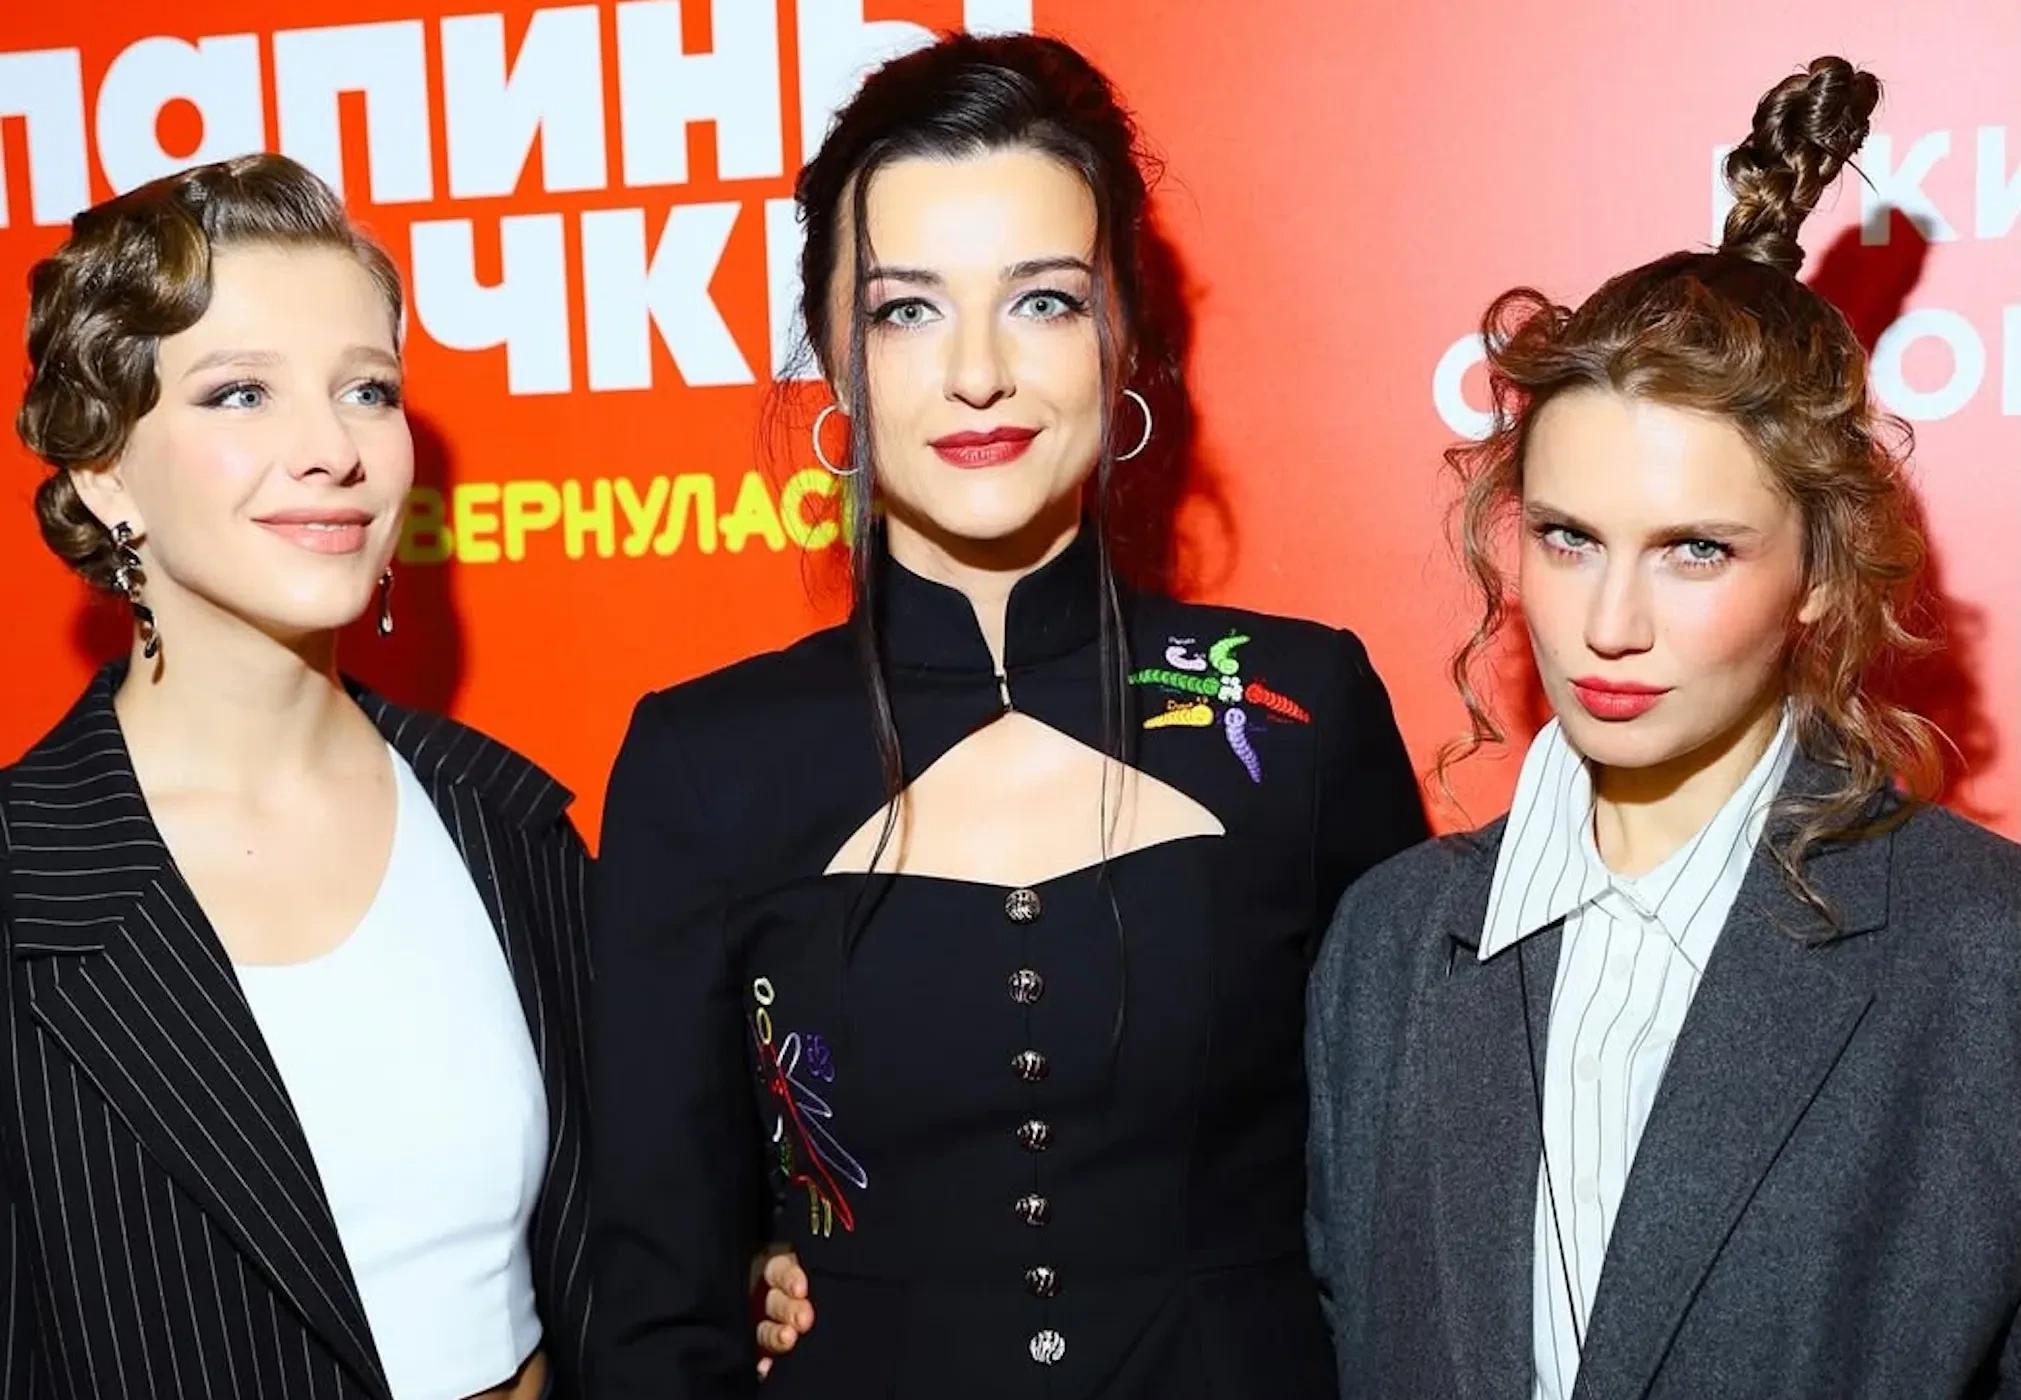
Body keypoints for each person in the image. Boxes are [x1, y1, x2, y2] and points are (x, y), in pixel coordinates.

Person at [588, 31, 1428, 1400]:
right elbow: (656, 1313)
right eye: (905, 311)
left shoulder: (1298, 713)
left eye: (1040, 300)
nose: (976, 373)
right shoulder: (705, 765)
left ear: (1122, 333)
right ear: (834, 359)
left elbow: (1419, 1210)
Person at [1304, 56, 2021, 1399]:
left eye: (1695, 549)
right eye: (1568, 538)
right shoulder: (1388, 944)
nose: (1608, 623)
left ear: (1818, 574)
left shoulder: (1985, 953)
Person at [0, 154, 592, 1400]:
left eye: (366, 389)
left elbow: (622, 1252)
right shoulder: (22, 883)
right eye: (240, 393)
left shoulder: (510, 823)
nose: (333, 449)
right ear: (105, 470)